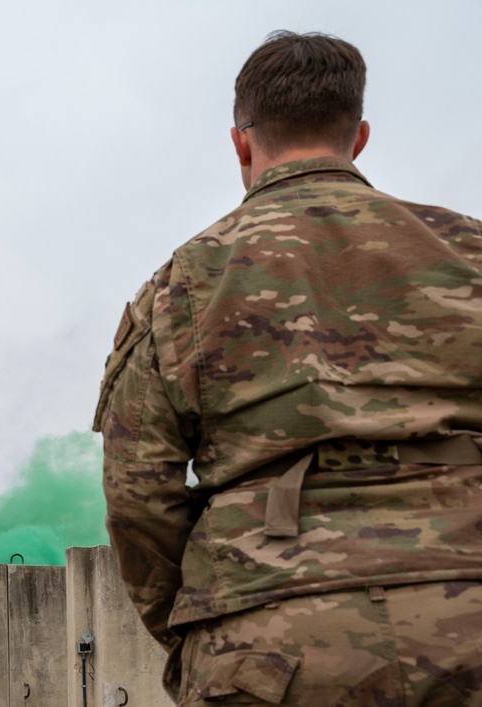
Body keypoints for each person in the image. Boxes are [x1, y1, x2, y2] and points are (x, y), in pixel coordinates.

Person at [94, 31, 482, 706]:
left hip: (269, 644)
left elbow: (138, 495)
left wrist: (202, 626)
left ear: (241, 144)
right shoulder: (470, 252)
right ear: (357, 135)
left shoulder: (182, 283)